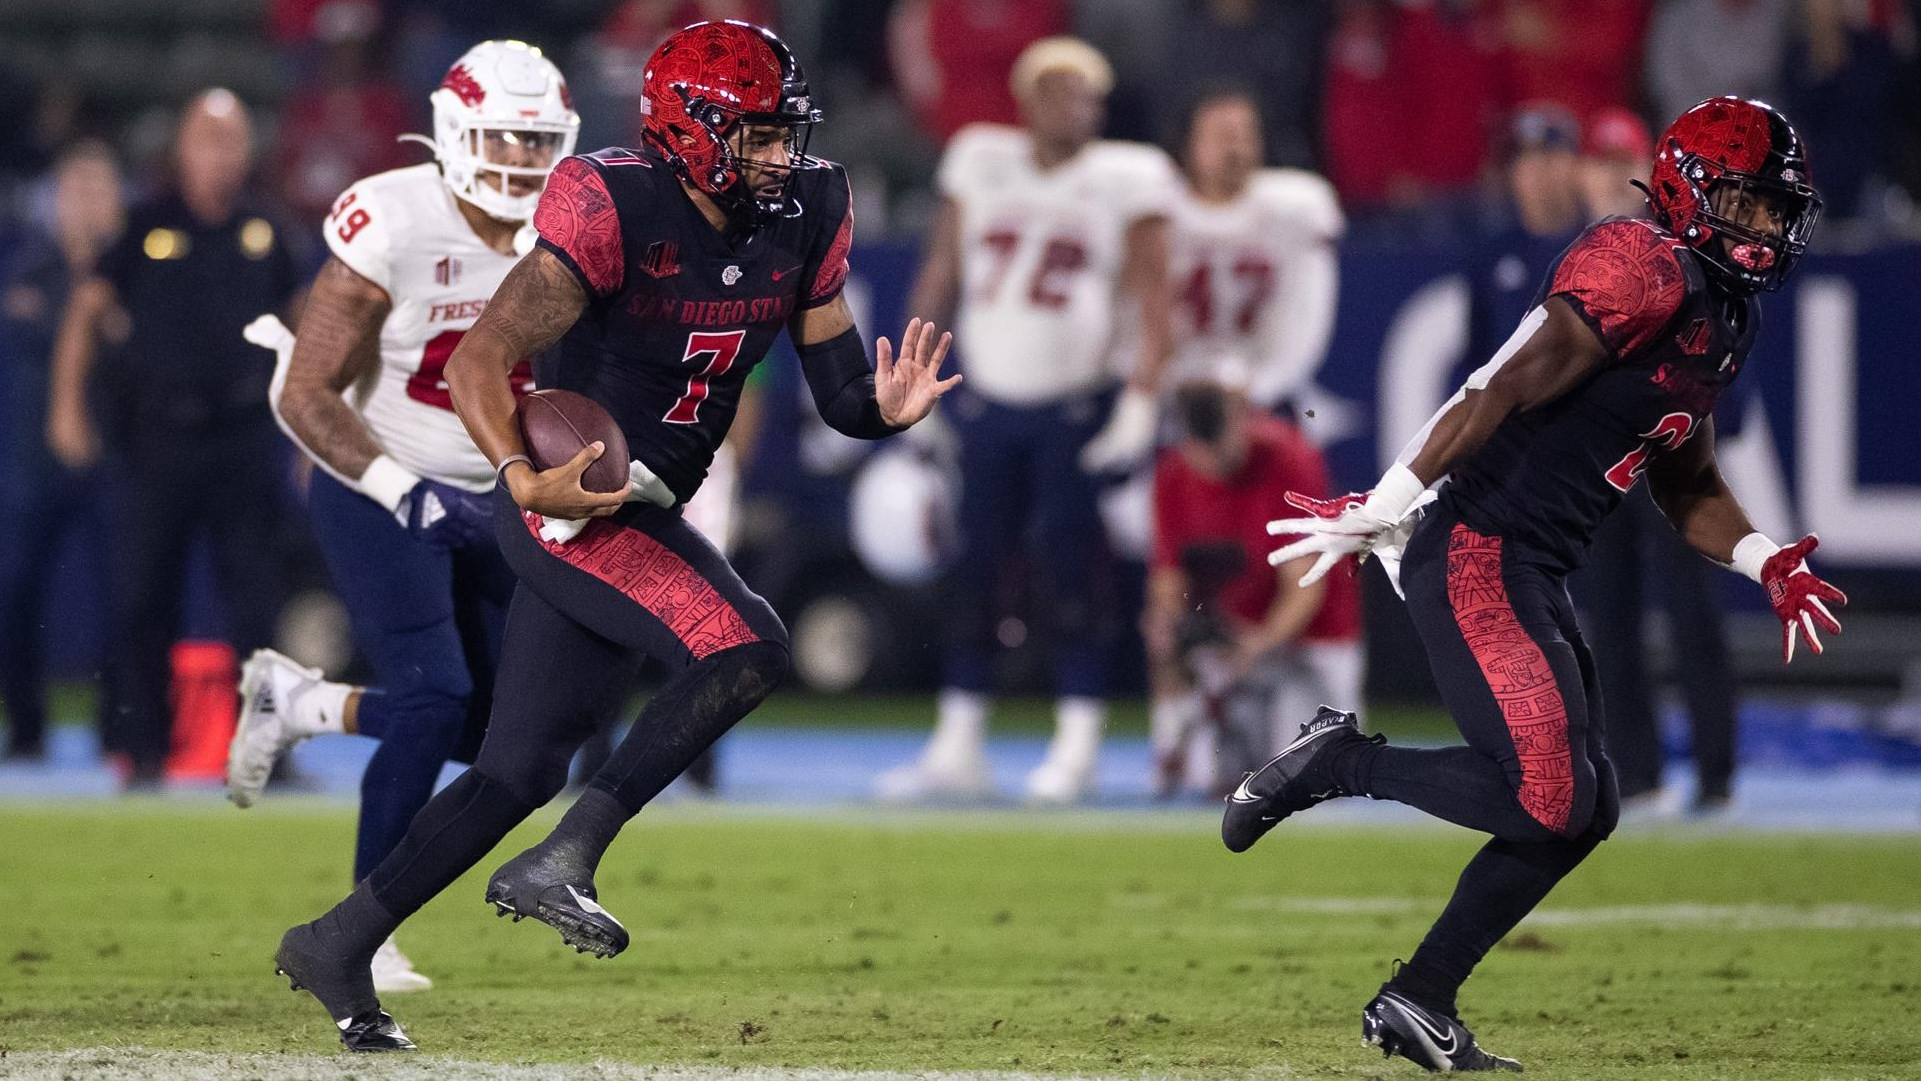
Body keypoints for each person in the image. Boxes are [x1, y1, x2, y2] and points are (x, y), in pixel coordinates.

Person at [269, 20, 957, 1052]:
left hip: (646, 500)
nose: (782, 157)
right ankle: (569, 856)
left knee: (516, 768)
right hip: (568, 498)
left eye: (785, 134)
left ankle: (337, 939)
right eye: (758, 136)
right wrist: (520, 473)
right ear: (690, 133)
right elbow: (479, 360)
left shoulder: (809, 207)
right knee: (751, 643)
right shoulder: (610, 205)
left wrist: (883, 408)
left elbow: (839, 390)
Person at [1224, 97, 1844, 1071]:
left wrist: (1764, 556)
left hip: (1533, 565)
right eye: (1748, 205)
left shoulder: (1724, 316)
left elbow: (1685, 482)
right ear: (1688, 188)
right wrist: (1393, 496)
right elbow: (1500, 383)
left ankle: (1418, 999)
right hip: (1475, 543)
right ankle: (1337, 762)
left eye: (1775, 211)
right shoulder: (1642, 263)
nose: (1764, 228)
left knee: (1586, 807)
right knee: (1553, 794)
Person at [222, 40, 579, 995]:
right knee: (431, 697)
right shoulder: (392, 215)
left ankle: (306, 704)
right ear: (456, 131)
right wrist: (397, 488)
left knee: (528, 740)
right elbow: (304, 392)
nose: (518, 158)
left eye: (538, 140)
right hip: (384, 482)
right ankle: (362, 931)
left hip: (499, 489)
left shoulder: (573, 221)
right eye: (502, 135)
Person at [875, 36, 1177, 804]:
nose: (1064, 105)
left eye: (1079, 92)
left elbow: (1155, 299)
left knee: (1069, 573)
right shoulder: (980, 158)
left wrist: (1142, 399)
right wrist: (913, 378)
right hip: (984, 401)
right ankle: (958, 745)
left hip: (1075, 406)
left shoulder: (1127, 178)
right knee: (973, 570)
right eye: (1050, 89)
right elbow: (939, 272)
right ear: (1022, 98)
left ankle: (1076, 744)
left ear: (1099, 105)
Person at [46, 90, 303, 787]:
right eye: (207, 140)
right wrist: (67, 406)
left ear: (248, 150)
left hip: (245, 431)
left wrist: (311, 433)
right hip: (157, 436)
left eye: (232, 141)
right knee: (140, 597)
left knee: (257, 602)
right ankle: (145, 750)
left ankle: (268, 756)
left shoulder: (267, 227)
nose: (220, 155)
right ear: (183, 148)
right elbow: (86, 310)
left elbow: (305, 327)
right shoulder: (144, 223)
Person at [1570, 106, 1741, 810]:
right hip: (1597, 465)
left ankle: (1715, 774)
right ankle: (1635, 773)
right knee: (1606, 617)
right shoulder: (1572, 250)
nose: (1611, 176)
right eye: (1601, 161)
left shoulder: (1686, 247)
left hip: (1668, 457)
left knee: (1690, 611)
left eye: (1623, 161)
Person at [1143, 365, 1361, 798]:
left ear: (1243, 419)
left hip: (1310, 642)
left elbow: (1305, 587)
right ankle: (1171, 743)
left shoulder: (1292, 460)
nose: (1211, 463)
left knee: (1312, 785)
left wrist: (1256, 645)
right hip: (1231, 642)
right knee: (1212, 783)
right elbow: (1169, 578)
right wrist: (1169, 623)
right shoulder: (1172, 474)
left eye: (1220, 448)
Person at [0, 141, 124, 761]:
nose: (88, 203)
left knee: (125, 596)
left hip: (114, 459)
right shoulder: (23, 265)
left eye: (100, 189)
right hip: (30, 464)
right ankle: (24, 728)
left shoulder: (132, 270)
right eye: (76, 189)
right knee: (16, 590)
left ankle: (119, 729)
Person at [1165, 89, 1343, 414]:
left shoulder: (1294, 208)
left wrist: (1260, 389)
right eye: (1222, 135)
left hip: (1262, 399)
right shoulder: (1158, 211)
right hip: (1170, 401)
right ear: (1188, 143)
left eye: (1245, 134)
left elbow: (1304, 317)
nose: (1235, 147)